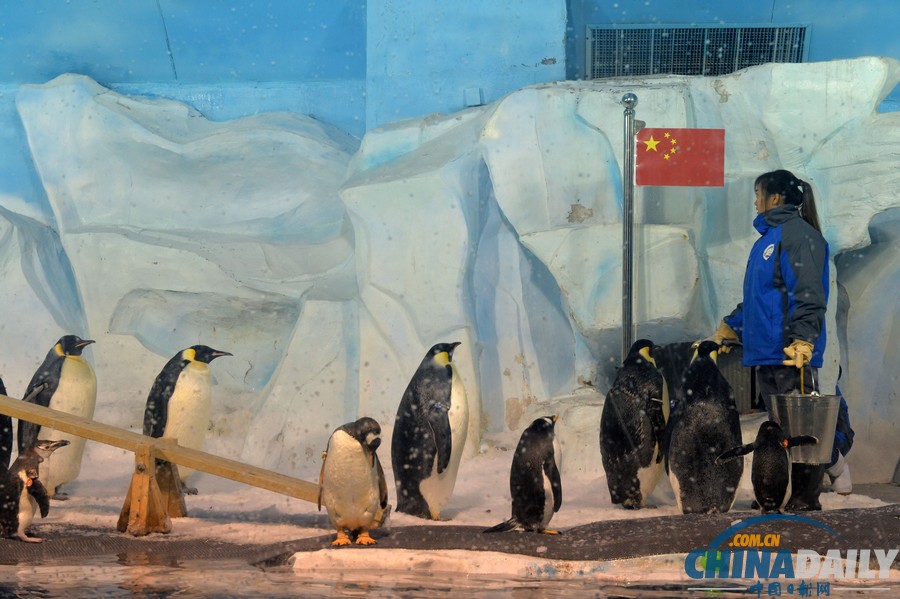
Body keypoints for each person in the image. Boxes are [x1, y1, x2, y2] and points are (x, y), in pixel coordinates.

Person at [707, 169, 830, 511]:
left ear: (775, 197)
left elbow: (808, 293)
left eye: (758, 194)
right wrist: (734, 324)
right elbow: (761, 298)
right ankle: (777, 493)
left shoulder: (797, 235)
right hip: (768, 352)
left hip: (790, 352)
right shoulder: (768, 239)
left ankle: (804, 497)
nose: (755, 201)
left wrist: (804, 338)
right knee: (776, 432)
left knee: (801, 426)